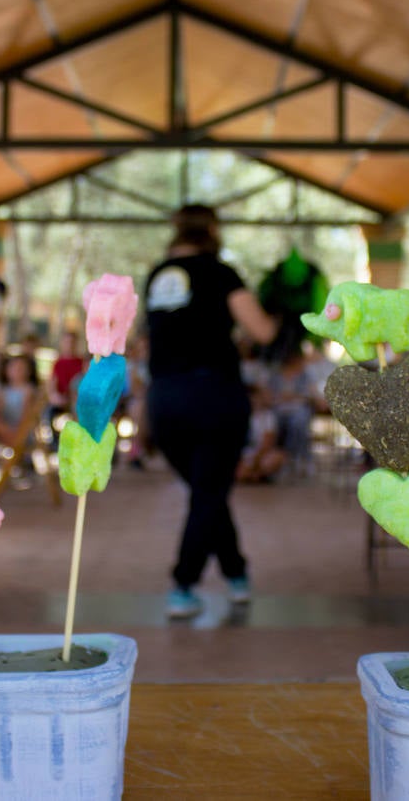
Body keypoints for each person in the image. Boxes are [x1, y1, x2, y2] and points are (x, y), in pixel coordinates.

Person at [144, 204, 277, 619]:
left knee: (207, 491)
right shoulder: (221, 274)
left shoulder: (157, 275)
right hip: (214, 395)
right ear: (213, 231)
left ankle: (236, 573)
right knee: (208, 492)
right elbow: (263, 331)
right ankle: (183, 585)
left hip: (164, 398)